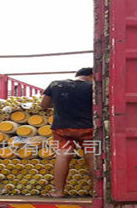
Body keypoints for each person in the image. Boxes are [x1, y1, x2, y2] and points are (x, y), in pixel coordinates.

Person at [40, 67, 95, 197]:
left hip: (61, 128)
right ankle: (97, 191)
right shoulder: (93, 87)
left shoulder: (55, 84)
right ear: (92, 76)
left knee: (63, 156)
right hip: (87, 128)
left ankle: (58, 192)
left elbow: (43, 105)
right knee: (91, 155)